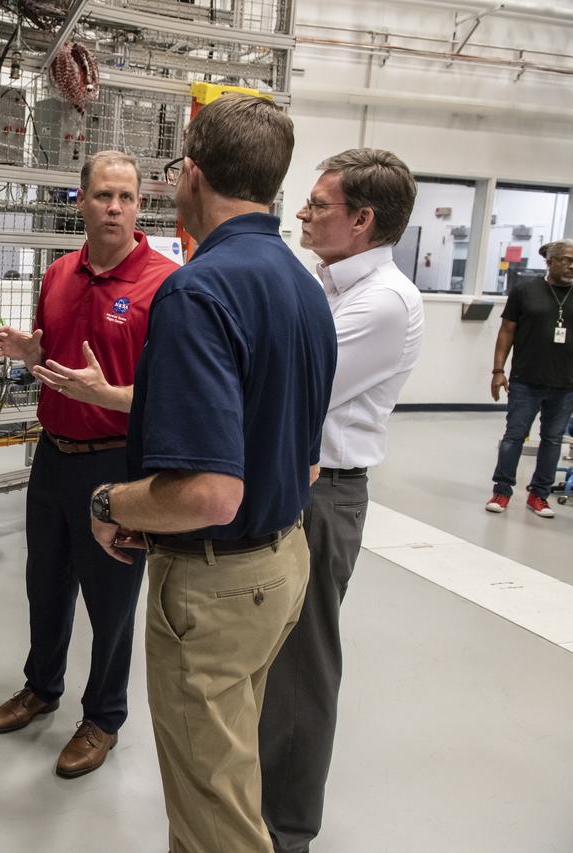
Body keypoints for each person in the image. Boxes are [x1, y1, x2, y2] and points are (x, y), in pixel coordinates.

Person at [86, 94, 336, 851]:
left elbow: (207, 492)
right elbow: (308, 456)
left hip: (216, 586)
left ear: (190, 175)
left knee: (212, 817)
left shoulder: (198, 289)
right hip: (283, 562)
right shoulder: (303, 286)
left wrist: (111, 499)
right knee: (228, 770)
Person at [0, 151, 174, 778]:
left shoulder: (165, 286)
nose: (113, 207)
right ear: (82, 201)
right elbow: (53, 352)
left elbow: (174, 396)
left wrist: (106, 396)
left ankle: (103, 717)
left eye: (125, 197)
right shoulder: (59, 273)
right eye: (101, 196)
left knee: (112, 597)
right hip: (53, 456)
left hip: (119, 464)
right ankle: (41, 687)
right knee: (47, 584)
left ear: (140, 206)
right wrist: (30, 349)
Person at [258, 148, 425, 853]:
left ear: (362, 220)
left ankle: (288, 830)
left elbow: (292, 385)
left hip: (326, 499)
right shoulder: (331, 287)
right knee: (273, 655)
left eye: (319, 204)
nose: (302, 212)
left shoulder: (381, 302)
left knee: (302, 665)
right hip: (300, 483)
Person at [486, 238, 573, 517]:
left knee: (552, 440)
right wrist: (498, 371)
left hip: (566, 384)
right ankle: (502, 491)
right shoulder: (526, 291)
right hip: (526, 380)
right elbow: (506, 332)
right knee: (514, 436)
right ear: (550, 262)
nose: (572, 265)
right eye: (567, 260)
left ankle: (539, 495)